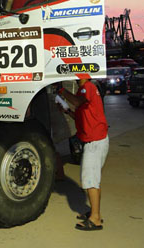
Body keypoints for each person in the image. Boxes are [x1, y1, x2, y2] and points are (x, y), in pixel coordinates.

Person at [57, 78, 108, 231]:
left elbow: (78, 102)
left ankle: (95, 219)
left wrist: (61, 91)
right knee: (93, 179)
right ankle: (94, 212)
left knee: (90, 180)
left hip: (95, 141)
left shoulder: (88, 87)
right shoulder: (85, 90)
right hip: (95, 140)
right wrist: (67, 112)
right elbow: (82, 114)